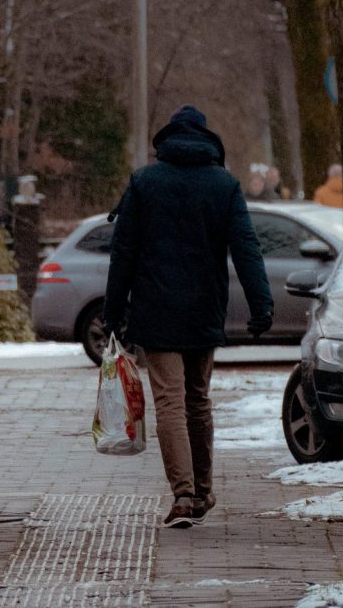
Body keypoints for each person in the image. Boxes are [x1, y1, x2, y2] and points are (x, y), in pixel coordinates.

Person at [103, 105, 273, 529]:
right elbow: (246, 247)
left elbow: (123, 251)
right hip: (204, 308)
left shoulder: (144, 182)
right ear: (207, 140)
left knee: (170, 402)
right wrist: (261, 304)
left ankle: (183, 494)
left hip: (156, 308)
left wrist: (112, 311)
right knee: (198, 399)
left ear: (167, 141)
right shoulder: (224, 185)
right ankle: (203, 490)